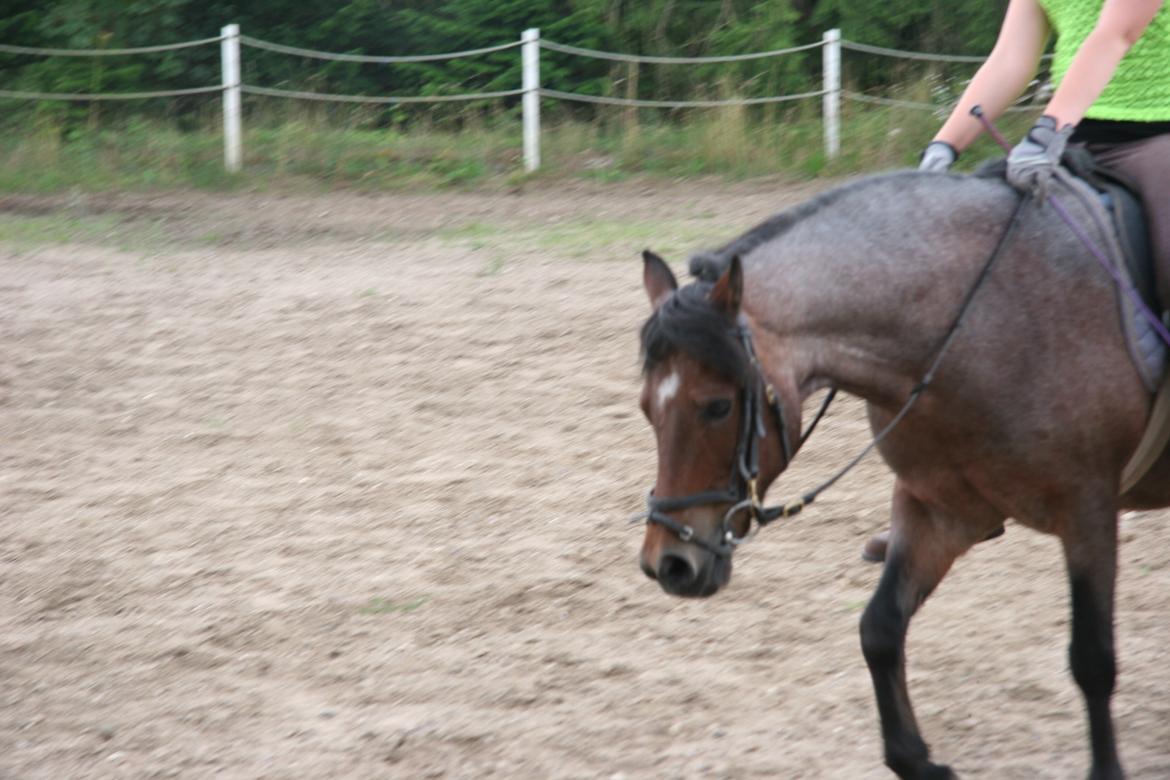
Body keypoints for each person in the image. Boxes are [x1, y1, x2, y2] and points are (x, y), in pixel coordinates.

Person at [863, 0, 1170, 563]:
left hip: (1156, 139)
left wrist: (1050, 126)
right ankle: (946, 493)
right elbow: (1011, 57)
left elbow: (1117, 32)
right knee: (980, 273)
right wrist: (942, 148)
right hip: (1072, 139)